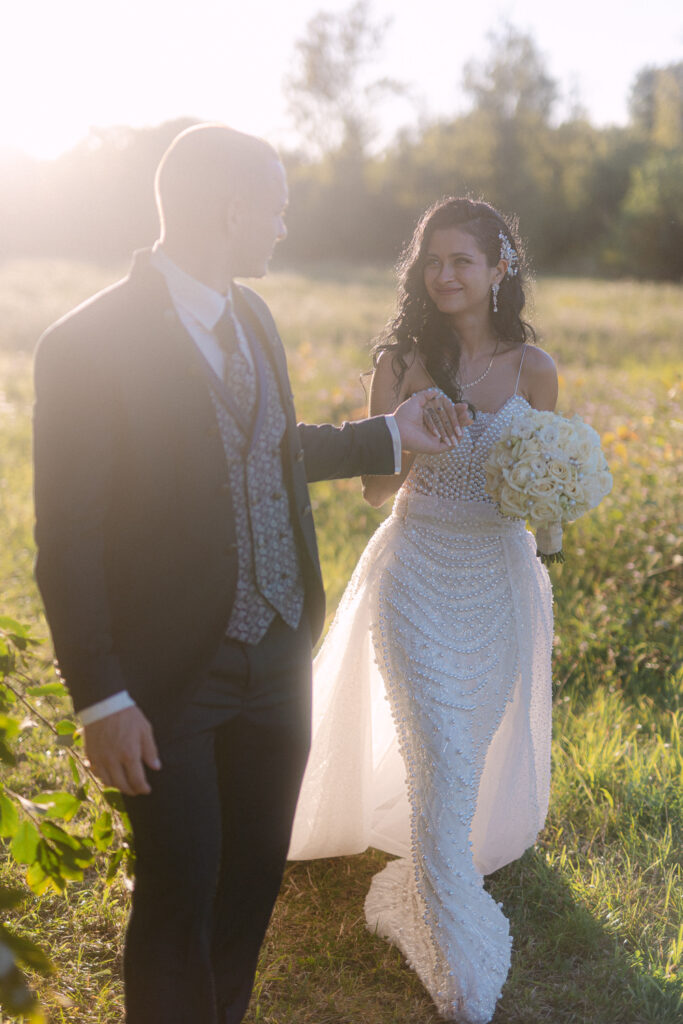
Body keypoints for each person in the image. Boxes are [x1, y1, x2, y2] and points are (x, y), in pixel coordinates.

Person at [32, 126, 471, 1024]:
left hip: (276, 661)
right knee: (179, 888)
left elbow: (264, 447)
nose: (283, 224)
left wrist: (392, 434)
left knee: (249, 886)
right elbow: (65, 539)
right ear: (233, 211)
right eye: (274, 206)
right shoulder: (84, 343)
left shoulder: (255, 317)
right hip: (166, 678)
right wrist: (101, 700)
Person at [289, 197, 558, 1023]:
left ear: (497, 269)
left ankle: (423, 874)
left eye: (461, 262)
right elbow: (374, 490)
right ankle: (447, 935)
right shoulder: (403, 358)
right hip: (414, 573)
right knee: (435, 746)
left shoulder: (533, 368)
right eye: (431, 261)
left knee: (463, 755)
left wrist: (554, 515)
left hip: (496, 579)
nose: (443, 275)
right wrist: (408, 439)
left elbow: (544, 495)